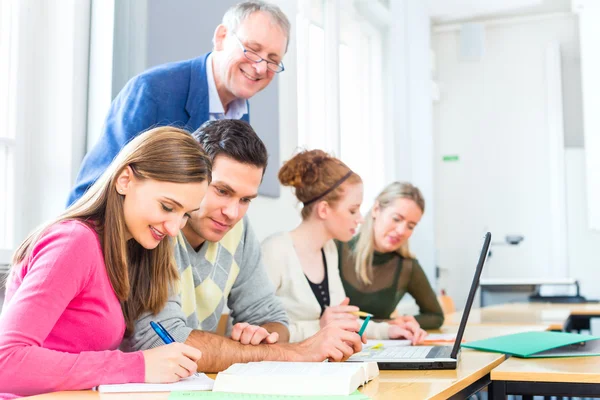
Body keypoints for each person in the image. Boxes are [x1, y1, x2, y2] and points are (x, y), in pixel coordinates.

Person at [124, 120, 364, 372]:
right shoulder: (157, 230)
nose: (232, 212)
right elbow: (162, 343)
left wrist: (261, 336)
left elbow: (273, 319)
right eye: (222, 191)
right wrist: (292, 352)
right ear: (193, 174)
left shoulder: (238, 229)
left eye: (246, 199)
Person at [0, 127, 211, 397]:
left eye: (185, 215)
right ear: (124, 180)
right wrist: (138, 366)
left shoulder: (127, 252)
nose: (174, 229)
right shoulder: (73, 242)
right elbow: (6, 364)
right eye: (167, 207)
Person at [67, 1, 290, 205]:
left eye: (273, 60)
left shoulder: (241, 113)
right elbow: (94, 189)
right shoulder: (153, 91)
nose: (261, 68)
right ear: (221, 38)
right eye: (252, 50)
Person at [261, 150, 426, 344]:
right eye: (352, 210)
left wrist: (388, 330)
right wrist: (319, 328)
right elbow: (254, 332)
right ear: (324, 210)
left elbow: (340, 320)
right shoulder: (275, 251)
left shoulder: (328, 250)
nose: (359, 219)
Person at [337, 182, 445, 330]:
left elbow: (436, 316)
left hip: (376, 349)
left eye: (411, 226)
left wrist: (398, 323)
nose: (402, 231)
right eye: (396, 219)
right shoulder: (336, 249)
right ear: (376, 210)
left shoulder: (407, 266)